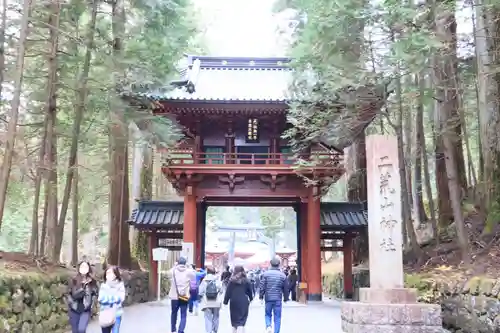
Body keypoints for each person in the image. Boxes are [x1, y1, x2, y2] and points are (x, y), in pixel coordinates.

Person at [66, 261, 98, 333]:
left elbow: (95, 294)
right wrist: (71, 303)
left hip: (85, 309)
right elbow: (68, 293)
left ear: (88, 268)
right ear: (79, 268)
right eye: (82, 266)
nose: (84, 268)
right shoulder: (73, 280)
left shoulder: (92, 281)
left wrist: (92, 304)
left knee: (82, 329)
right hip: (74, 309)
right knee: (75, 330)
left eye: (86, 266)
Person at [259, 258, 289, 333]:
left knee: (267, 314)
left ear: (270, 264)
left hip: (268, 298)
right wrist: (285, 298)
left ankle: (268, 325)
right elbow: (286, 288)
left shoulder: (265, 274)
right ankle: (276, 331)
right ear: (279, 264)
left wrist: (261, 297)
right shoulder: (283, 275)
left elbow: (262, 286)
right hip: (278, 298)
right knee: (277, 317)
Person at [168, 257, 195, 333]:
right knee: (183, 314)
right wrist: (189, 266)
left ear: (178, 263)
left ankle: (173, 329)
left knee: (174, 312)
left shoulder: (173, 271)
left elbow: (168, 273)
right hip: (184, 296)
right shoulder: (189, 272)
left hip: (174, 296)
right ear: (185, 263)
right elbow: (194, 276)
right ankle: (181, 330)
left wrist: (174, 266)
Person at [223, 265, 254, 333]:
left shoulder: (231, 281)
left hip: (233, 301)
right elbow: (250, 291)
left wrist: (225, 301)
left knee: (234, 321)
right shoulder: (246, 280)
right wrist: (251, 299)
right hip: (243, 302)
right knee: (241, 321)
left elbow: (228, 292)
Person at [98, 266, 126, 333]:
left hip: (117, 314)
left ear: (116, 274)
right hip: (105, 313)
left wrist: (108, 299)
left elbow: (121, 298)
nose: (109, 275)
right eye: (107, 273)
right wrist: (114, 298)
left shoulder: (120, 285)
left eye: (111, 273)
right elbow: (101, 299)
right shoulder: (103, 286)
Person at [199, 267, 223, 333]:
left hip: (207, 302)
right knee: (216, 316)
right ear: (214, 272)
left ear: (207, 272)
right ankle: (215, 330)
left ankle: (209, 331)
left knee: (208, 318)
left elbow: (200, 291)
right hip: (216, 301)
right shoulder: (217, 280)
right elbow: (221, 290)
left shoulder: (204, 280)